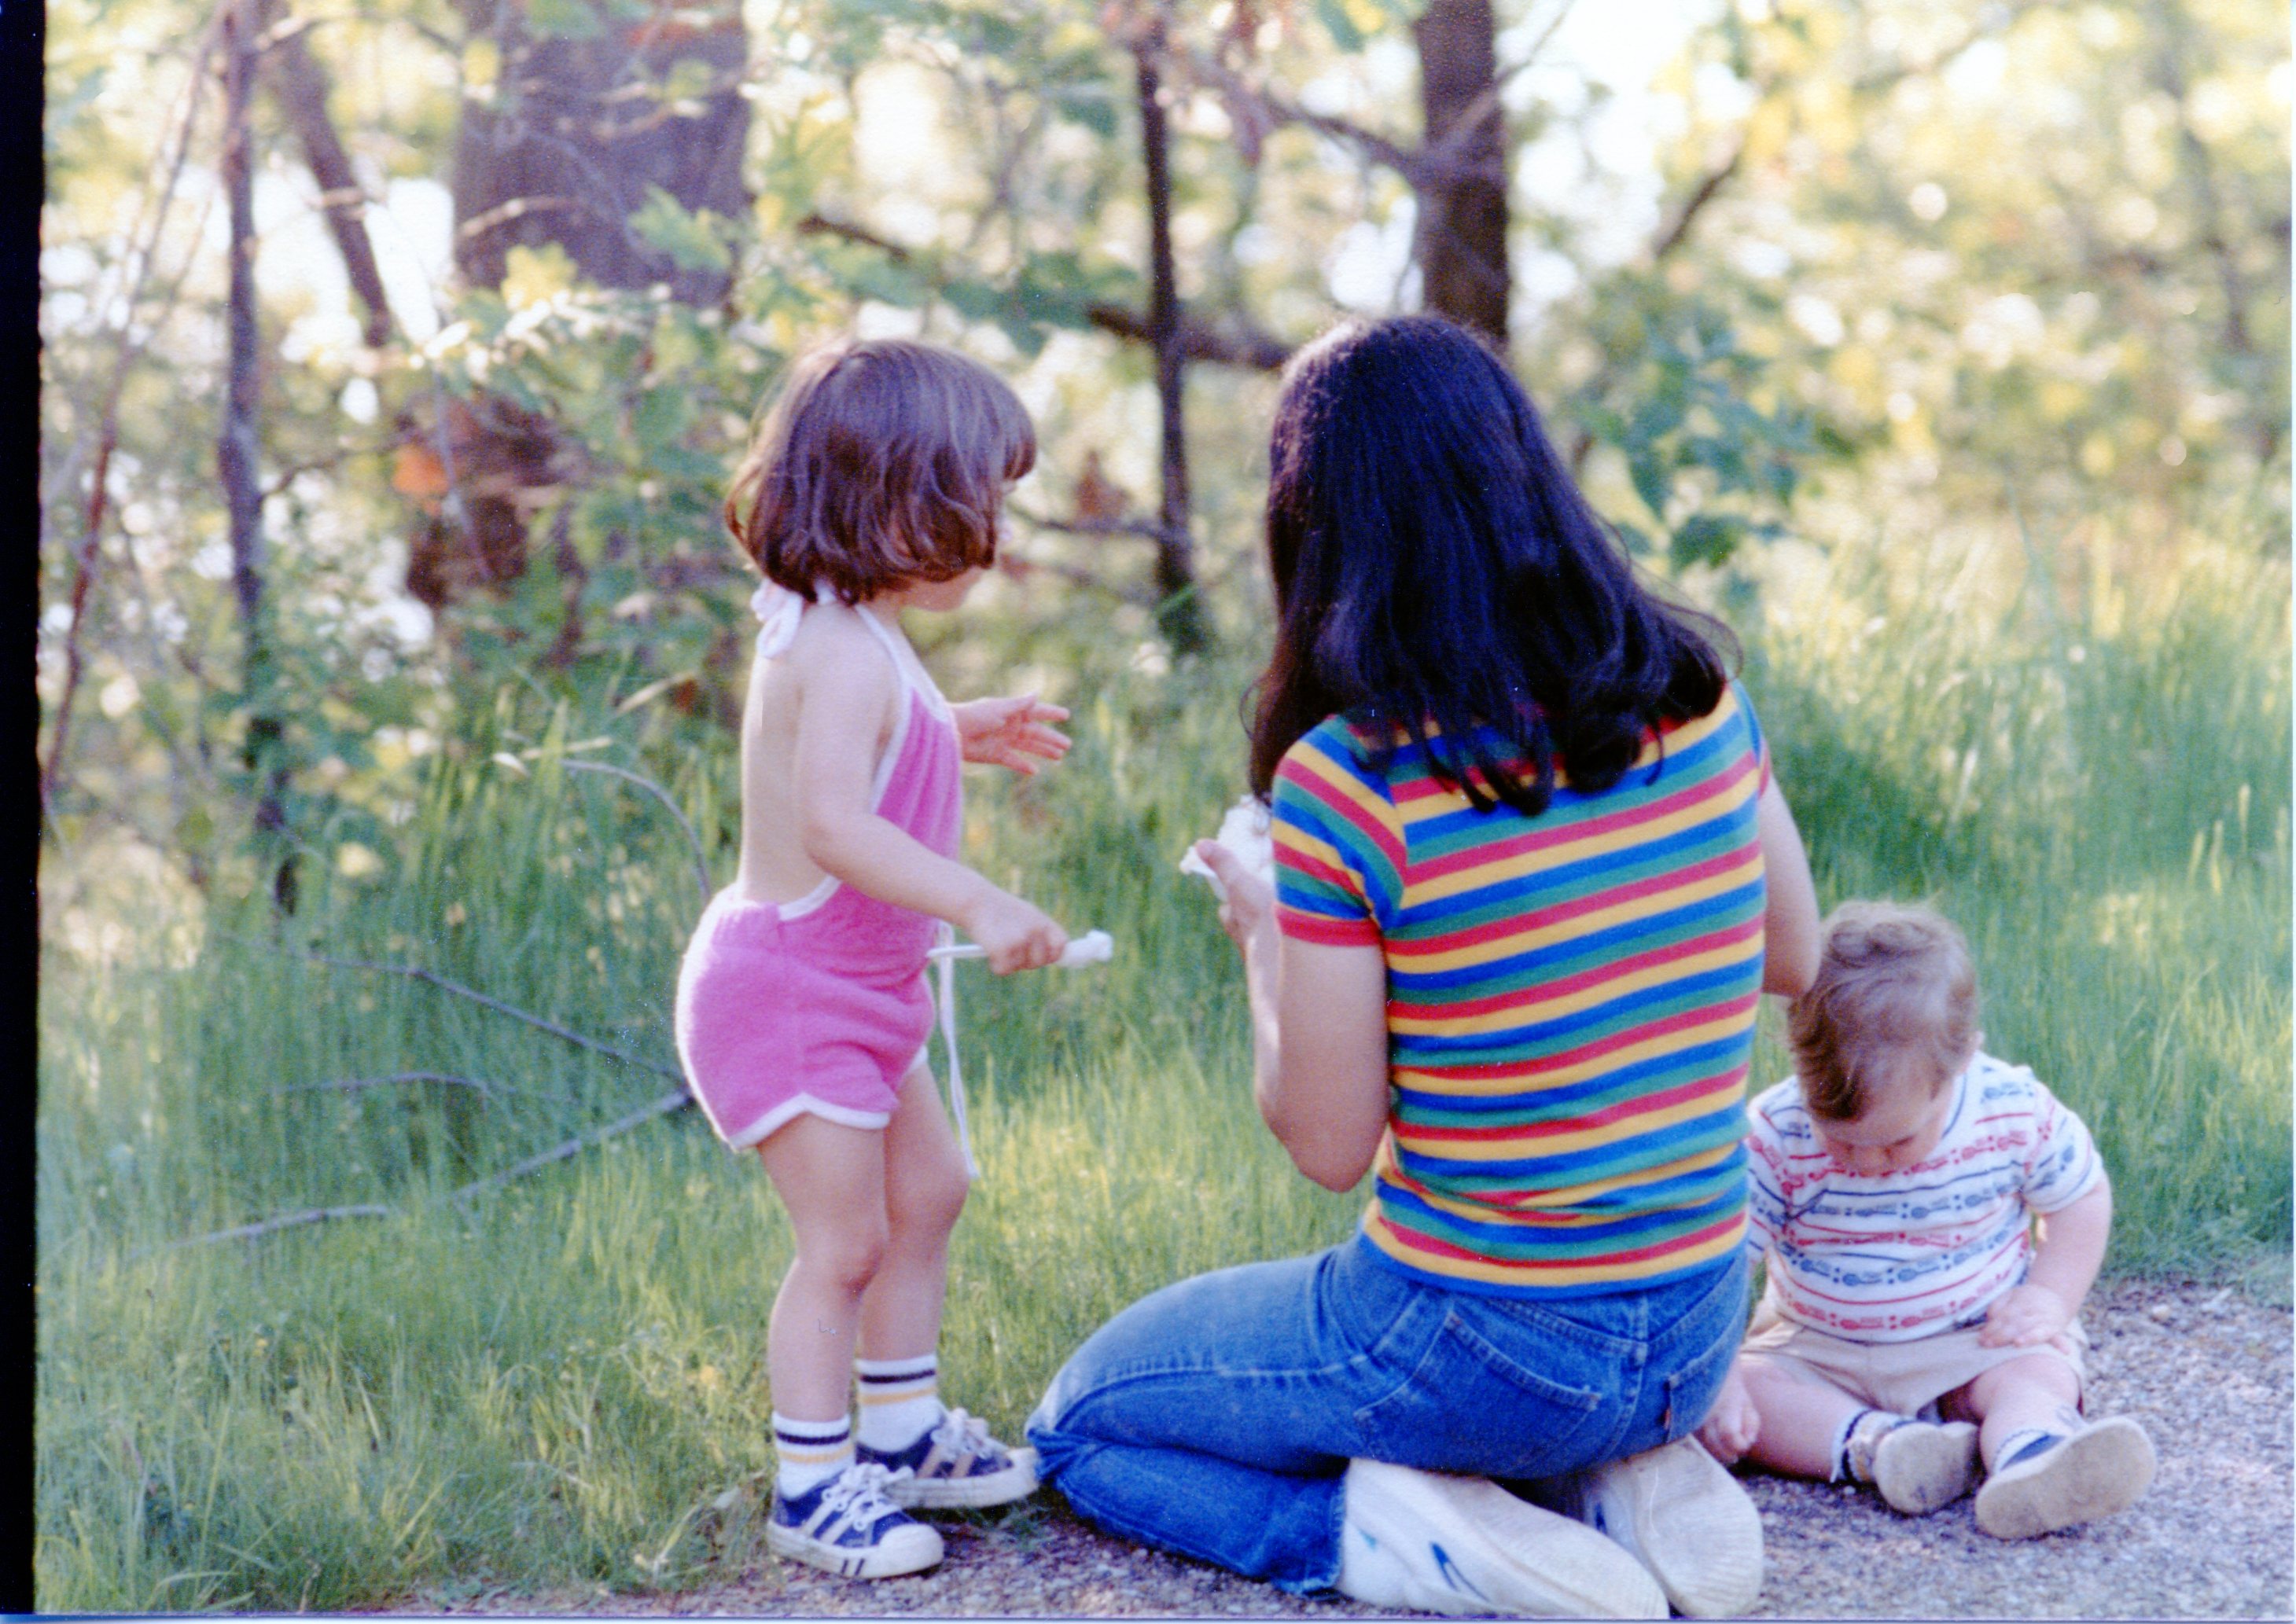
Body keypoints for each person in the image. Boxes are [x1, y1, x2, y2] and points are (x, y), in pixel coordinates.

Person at [1025, 314, 1822, 1618]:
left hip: (1481, 1345)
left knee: (1084, 1422)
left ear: (1321, 530)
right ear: (1527, 475)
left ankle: (1389, 1536)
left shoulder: (1352, 783)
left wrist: (1266, 940)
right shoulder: (1695, 700)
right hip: (1693, 1325)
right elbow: (1791, 955)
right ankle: (1608, 1477)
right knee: (1543, 1383)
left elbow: (1330, 1140)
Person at [676, 338, 1076, 1579]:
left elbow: (866, 745)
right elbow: (834, 821)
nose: (993, 533)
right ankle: (812, 1484)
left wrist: (955, 730)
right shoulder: (834, 642)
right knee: (841, 1242)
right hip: (791, 991)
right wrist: (978, 899)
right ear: (889, 498)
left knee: (934, 1186)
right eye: (976, 501)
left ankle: (900, 1430)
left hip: (858, 986)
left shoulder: (861, 634)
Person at [1694, 901, 2156, 1538]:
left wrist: (2050, 1295)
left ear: (1963, 1059)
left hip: (1969, 1341)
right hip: (1820, 1351)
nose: (1869, 1162)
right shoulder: (1776, 1133)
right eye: (1843, 1140)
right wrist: (1719, 1381)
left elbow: (2080, 1196)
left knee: (2037, 1367)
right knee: (1740, 1390)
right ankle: (1887, 1449)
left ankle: (2031, 1455)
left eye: (1896, 1141)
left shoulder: (2008, 1110)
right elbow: (1723, 1257)